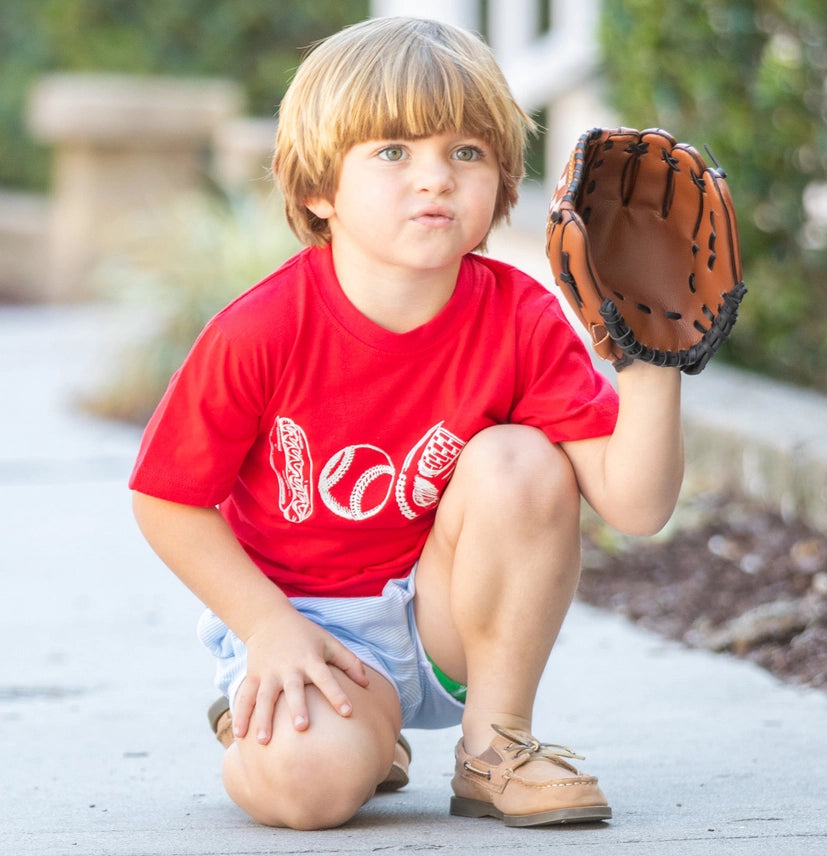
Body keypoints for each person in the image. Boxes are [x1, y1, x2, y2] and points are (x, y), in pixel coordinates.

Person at [130, 16, 683, 830]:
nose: (436, 179)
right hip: (310, 621)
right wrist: (268, 629)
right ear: (318, 187)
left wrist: (654, 355)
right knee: (306, 788)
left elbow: (636, 507)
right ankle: (305, 717)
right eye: (393, 152)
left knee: (519, 460)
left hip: (448, 614)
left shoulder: (520, 316)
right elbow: (166, 498)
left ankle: (497, 745)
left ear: (500, 180)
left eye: (466, 153)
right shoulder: (262, 330)